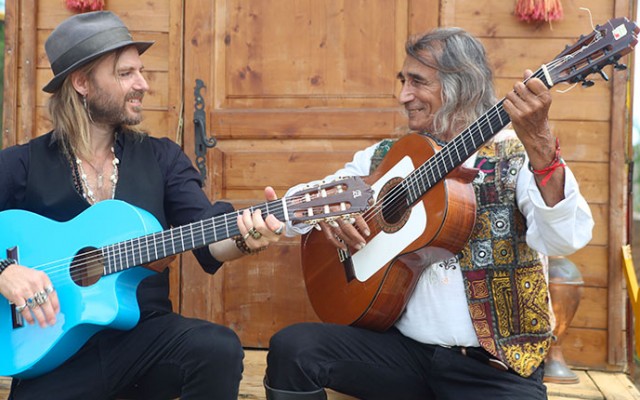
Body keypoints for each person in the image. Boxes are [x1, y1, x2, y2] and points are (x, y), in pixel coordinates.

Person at [264, 27, 594, 399]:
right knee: (295, 349)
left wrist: (542, 147)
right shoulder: (384, 158)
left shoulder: (517, 158)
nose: (403, 95)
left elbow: (565, 238)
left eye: (417, 82)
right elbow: (299, 207)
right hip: (402, 356)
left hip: (493, 371)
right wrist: (330, 214)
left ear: (461, 86)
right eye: (403, 81)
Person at [0, 10, 285, 400]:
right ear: (82, 82)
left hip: (144, 339)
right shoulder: (22, 164)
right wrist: (5, 271)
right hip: (51, 351)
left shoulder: (161, 158)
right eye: (125, 73)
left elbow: (207, 237)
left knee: (217, 348)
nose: (143, 85)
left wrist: (244, 236)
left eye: (141, 71)